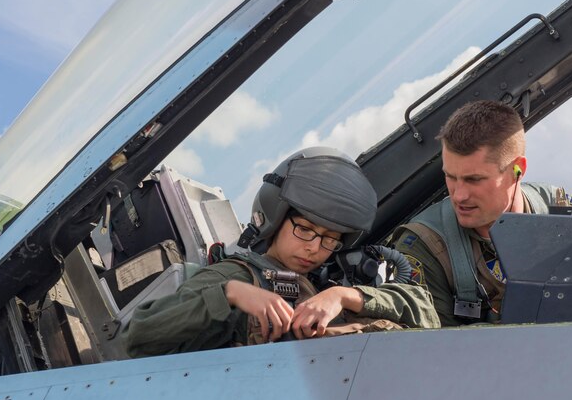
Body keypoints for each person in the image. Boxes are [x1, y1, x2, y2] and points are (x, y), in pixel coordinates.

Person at [124, 147, 438, 357]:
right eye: (305, 229)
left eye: (330, 239)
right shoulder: (236, 275)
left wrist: (343, 296)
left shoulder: (324, 283)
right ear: (276, 217)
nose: (314, 247)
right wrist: (230, 293)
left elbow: (426, 312)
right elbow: (140, 334)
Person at [391, 100, 572, 326]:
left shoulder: (563, 212)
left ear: (517, 170)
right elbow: (434, 342)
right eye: (451, 177)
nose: (459, 195)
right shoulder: (425, 245)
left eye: (474, 179)